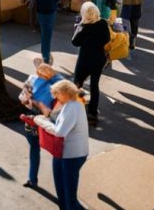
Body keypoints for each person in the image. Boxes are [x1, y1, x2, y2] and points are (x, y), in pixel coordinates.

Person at [35, 81, 89, 210]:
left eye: (56, 94)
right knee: (61, 187)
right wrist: (47, 119)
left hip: (72, 155)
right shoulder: (71, 104)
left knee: (69, 194)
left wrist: (40, 121)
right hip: (64, 152)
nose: (54, 97)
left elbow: (60, 131)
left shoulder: (73, 107)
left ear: (65, 93)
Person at [18, 59, 65, 188]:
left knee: (46, 152)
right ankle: (32, 178)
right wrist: (27, 99)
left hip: (43, 122)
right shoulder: (35, 81)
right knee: (35, 149)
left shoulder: (57, 84)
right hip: (36, 121)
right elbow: (23, 99)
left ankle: (34, 179)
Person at [71, 2, 111, 125]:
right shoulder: (103, 23)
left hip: (85, 60)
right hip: (99, 59)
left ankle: (75, 109)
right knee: (94, 85)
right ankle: (93, 112)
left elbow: (75, 42)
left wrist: (78, 27)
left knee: (77, 83)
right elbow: (107, 39)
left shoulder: (83, 26)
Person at [31, 0, 63, 64]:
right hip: (53, 8)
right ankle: (46, 55)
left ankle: (45, 58)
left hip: (44, 9)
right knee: (48, 32)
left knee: (45, 34)